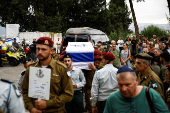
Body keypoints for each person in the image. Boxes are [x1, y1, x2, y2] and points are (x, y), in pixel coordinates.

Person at [22, 37, 74, 113]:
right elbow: (25, 91)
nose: (40, 52)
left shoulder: (61, 69)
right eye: (38, 49)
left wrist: (47, 104)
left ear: (51, 51)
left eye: (43, 49)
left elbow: (68, 94)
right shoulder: (30, 69)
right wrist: (31, 108)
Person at [103, 66, 169, 113]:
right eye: (120, 85)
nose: (123, 89)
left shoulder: (150, 94)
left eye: (127, 85)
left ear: (136, 81)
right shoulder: (112, 99)